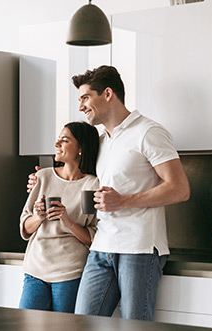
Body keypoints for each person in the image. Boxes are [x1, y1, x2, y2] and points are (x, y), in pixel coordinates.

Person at [27, 66, 190, 321]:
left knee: (135, 326)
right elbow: (77, 178)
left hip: (139, 249)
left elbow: (180, 189)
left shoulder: (148, 132)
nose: (81, 106)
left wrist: (124, 201)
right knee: (81, 323)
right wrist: (41, 178)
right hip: (101, 247)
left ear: (108, 94)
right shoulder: (101, 142)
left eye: (85, 98)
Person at [18, 121, 100, 313]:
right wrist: (38, 217)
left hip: (70, 273)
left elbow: (93, 238)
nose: (57, 145)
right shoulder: (43, 177)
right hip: (35, 269)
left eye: (64, 141)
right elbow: (25, 227)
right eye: (58, 140)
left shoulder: (92, 184)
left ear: (80, 148)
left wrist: (68, 221)